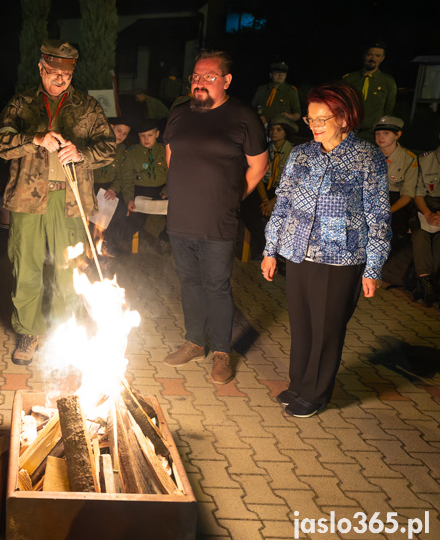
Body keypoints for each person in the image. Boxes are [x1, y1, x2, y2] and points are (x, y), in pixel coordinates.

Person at [262, 83, 391, 418]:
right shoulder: (301, 154)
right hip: (298, 251)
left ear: (344, 118)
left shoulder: (367, 157)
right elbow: (283, 204)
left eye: (323, 118)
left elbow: (378, 216)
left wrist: (373, 268)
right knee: (302, 324)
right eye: (310, 118)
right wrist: (270, 249)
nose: (315, 125)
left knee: (327, 328)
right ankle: (298, 384)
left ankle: (316, 394)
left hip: (341, 257)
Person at [0, 39, 115, 366]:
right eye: (53, 72)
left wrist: (83, 154)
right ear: (41, 67)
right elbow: (0, 145)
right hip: (27, 200)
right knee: (27, 268)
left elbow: (109, 148)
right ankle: (29, 331)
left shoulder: (88, 106)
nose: (60, 79)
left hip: (71, 200)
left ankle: (64, 331)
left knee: (68, 270)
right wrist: (34, 139)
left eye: (66, 74)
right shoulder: (21, 104)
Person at [161, 50, 268, 384]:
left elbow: (259, 165)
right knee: (189, 282)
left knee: (217, 286)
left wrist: (231, 198)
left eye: (208, 77)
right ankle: (195, 341)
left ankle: (222, 352)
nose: (199, 83)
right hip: (180, 219)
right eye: (195, 76)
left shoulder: (242, 116)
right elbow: (170, 157)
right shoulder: (179, 114)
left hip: (218, 222)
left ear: (226, 80)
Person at [241, 115, 297, 259]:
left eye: (278, 129)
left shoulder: (293, 152)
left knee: (280, 211)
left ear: (286, 132)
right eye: (272, 129)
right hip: (264, 189)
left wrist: (272, 202)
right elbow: (258, 174)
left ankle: (274, 251)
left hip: (282, 190)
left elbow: (290, 183)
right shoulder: (265, 149)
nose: (273, 132)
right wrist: (265, 200)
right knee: (248, 206)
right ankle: (262, 246)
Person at [121, 118, 170, 253]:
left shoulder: (165, 151)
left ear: (157, 134)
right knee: (133, 218)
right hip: (140, 191)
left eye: (150, 135)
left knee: (176, 216)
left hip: (161, 191)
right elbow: (127, 179)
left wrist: (167, 190)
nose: (146, 139)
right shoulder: (132, 153)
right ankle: (125, 242)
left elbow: (172, 174)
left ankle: (164, 240)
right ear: (138, 136)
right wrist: (129, 198)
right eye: (143, 136)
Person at [374, 115, 417, 249]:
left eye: (386, 133)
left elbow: (407, 195)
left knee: (388, 236)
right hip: (372, 199)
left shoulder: (409, 159)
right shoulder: (369, 155)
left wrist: (388, 211)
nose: (381, 137)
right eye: (378, 134)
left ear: (398, 135)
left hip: (394, 202)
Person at [407, 135, 440, 305]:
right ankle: (425, 284)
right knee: (420, 236)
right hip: (424, 209)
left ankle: (429, 284)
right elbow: (417, 192)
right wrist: (428, 214)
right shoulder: (426, 160)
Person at [342, 42, 397, 141]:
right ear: (364, 55)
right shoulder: (349, 79)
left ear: (382, 58)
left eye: (377, 56)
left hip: (372, 135)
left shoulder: (387, 82)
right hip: (349, 132)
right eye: (370, 55)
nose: (373, 58)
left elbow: (388, 110)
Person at [92, 116, 130, 254]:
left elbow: (121, 174)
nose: (121, 135)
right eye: (119, 130)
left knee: (119, 210)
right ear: (111, 127)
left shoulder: (122, 152)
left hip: (110, 187)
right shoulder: (95, 145)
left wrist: (114, 188)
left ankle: (109, 243)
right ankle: (91, 245)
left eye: (125, 134)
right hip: (91, 186)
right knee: (91, 211)